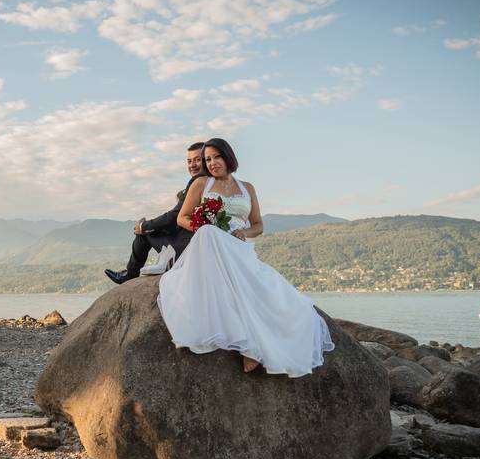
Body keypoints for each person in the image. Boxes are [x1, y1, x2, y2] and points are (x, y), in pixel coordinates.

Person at [157, 137, 334, 376]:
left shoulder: (247, 188)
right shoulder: (201, 185)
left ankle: (255, 343)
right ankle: (247, 344)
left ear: (228, 157)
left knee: (276, 297)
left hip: (239, 247)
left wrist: (245, 232)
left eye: (216, 157)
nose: (211, 163)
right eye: (207, 159)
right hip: (209, 244)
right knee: (210, 233)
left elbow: (258, 225)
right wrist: (202, 225)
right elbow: (182, 217)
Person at [104, 142, 206, 284]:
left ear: (206, 160)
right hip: (191, 241)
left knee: (143, 235)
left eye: (197, 160)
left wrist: (145, 226)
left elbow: (175, 215)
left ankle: (130, 275)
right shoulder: (212, 183)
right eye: (189, 161)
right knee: (149, 230)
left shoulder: (197, 183)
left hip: (185, 247)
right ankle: (130, 272)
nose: (192, 165)